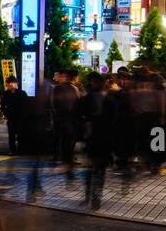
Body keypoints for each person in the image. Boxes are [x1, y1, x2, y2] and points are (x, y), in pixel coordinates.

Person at [77, 72, 117, 210]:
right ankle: (95, 197)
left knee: (91, 168)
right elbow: (114, 121)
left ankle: (90, 195)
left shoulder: (87, 99)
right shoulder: (110, 100)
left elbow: (79, 116)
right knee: (100, 169)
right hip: (104, 139)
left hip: (93, 138)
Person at [50, 70, 82, 176]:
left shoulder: (58, 89)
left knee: (65, 141)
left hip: (62, 119)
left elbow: (53, 104)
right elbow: (78, 104)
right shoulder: (74, 89)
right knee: (68, 142)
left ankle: (66, 163)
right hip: (70, 120)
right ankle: (67, 162)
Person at [0, 75, 28, 155]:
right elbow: (2, 104)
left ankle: (21, 150)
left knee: (20, 135)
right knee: (11, 135)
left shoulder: (22, 93)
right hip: (11, 118)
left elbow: (25, 105)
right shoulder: (6, 93)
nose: (11, 86)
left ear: (16, 84)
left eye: (13, 84)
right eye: (9, 84)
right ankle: (13, 150)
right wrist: (6, 113)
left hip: (20, 118)